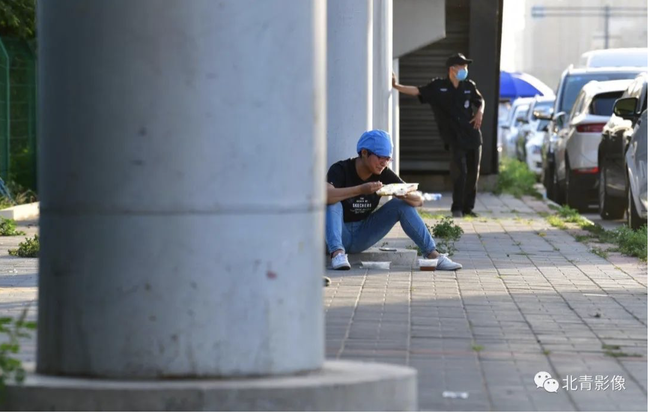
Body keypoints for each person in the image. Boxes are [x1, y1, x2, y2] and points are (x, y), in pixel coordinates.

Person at [325, 129, 462, 272]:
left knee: (401, 204)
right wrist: (361, 189)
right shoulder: (341, 169)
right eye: (380, 157)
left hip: (362, 234)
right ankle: (337, 254)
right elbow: (325, 196)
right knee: (333, 200)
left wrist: (402, 194)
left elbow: (418, 200)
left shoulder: (384, 173)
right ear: (364, 153)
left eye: (388, 159)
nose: (384, 163)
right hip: (339, 233)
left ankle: (433, 255)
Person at [392, 53, 485, 218]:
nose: (465, 69)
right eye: (462, 66)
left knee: (472, 173)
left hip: (472, 135)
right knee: (460, 172)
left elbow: (480, 101)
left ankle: (468, 208)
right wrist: (397, 86)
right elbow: (418, 91)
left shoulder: (469, 86)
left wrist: (479, 113)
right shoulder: (438, 87)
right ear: (452, 69)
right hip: (454, 138)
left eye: (466, 66)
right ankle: (457, 208)